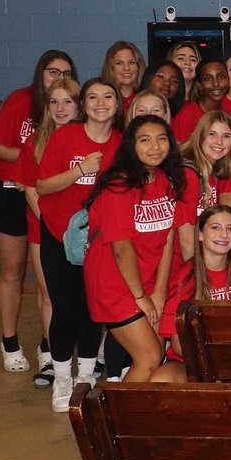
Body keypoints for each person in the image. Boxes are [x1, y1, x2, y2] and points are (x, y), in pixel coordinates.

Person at [36, 77, 124, 411]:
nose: (101, 103)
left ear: (117, 104)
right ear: (83, 105)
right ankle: (62, 377)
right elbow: (43, 186)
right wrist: (81, 169)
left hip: (97, 241)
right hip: (58, 235)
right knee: (64, 308)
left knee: (90, 309)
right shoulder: (66, 137)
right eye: (93, 97)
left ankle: (85, 375)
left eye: (108, 97)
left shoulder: (121, 144)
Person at [0, 50, 76, 373]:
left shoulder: (71, 113)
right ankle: (9, 341)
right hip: (10, 191)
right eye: (53, 71)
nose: (59, 77)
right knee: (11, 270)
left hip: (47, 195)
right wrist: (35, 156)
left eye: (66, 72)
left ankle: (47, 344)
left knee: (47, 280)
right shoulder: (21, 101)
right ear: (40, 73)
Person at [83, 115, 185, 384]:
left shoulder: (165, 179)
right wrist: (140, 296)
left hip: (147, 280)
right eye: (145, 140)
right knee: (149, 357)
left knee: (154, 358)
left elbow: (168, 237)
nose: (155, 146)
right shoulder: (119, 186)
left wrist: (159, 291)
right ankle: (113, 411)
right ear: (132, 146)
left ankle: (136, 409)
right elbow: (122, 249)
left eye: (162, 138)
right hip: (114, 283)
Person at [16, 76, 80, 386]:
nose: (60, 108)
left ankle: (89, 357)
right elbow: (30, 188)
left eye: (67, 101)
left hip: (83, 232)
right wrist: (54, 226)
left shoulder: (86, 138)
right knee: (50, 294)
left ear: (79, 105)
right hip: (46, 230)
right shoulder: (36, 141)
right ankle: (55, 358)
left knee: (84, 295)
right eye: (54, 102)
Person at [150, 204, 231, 383]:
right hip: (192, 362)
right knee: (160, 379)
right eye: (215, 227)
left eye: (230, 229)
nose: (224, 234)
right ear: (200, 234)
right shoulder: (185, 276)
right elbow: (178, 345)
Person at [173, 60, 228, 142]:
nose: (216, 83)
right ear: (199, 85)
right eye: (208, 79)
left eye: (221, 77)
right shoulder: (186, 115)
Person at [102, 41, 146, 113]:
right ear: (111, 68)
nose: (126, 68)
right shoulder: (103, 101)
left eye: (132, 62)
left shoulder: (148, 99)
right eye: (119, 63)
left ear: (138, 67)